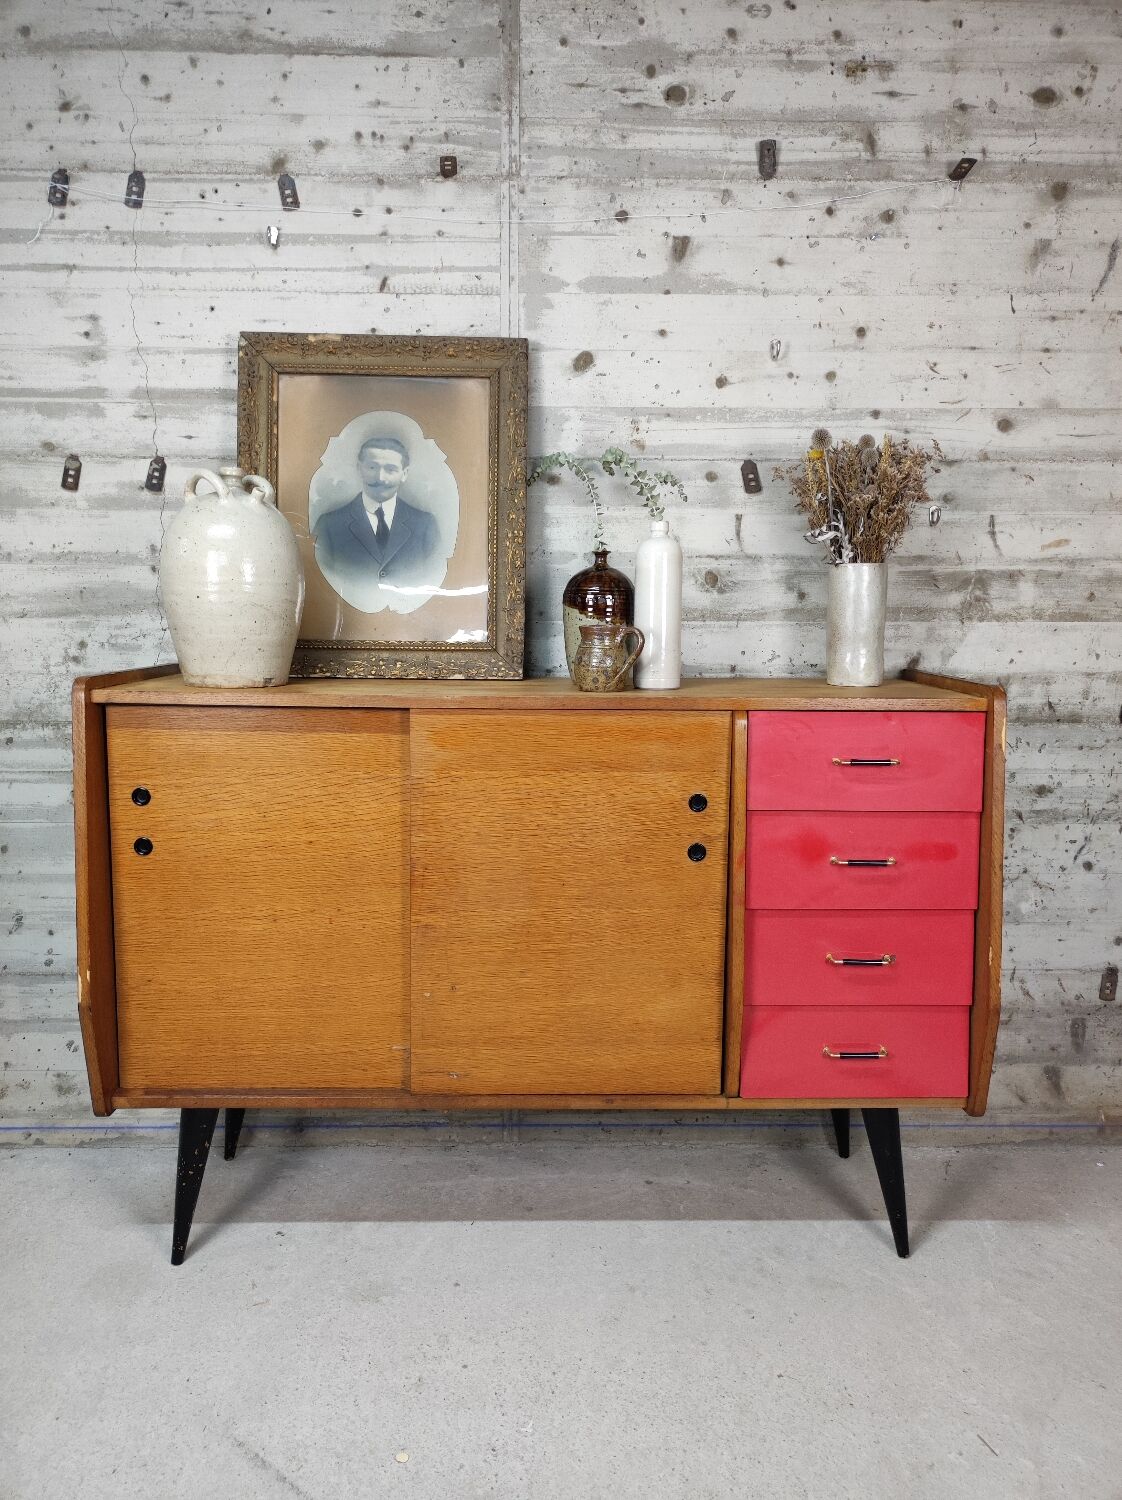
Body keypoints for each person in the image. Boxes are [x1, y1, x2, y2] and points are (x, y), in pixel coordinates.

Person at [313, 435, 440, 592]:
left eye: (390, 469)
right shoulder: (328, 525)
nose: (380, 478)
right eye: (372, 467)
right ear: (359, 468)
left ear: (404, 473)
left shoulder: (425, 525)